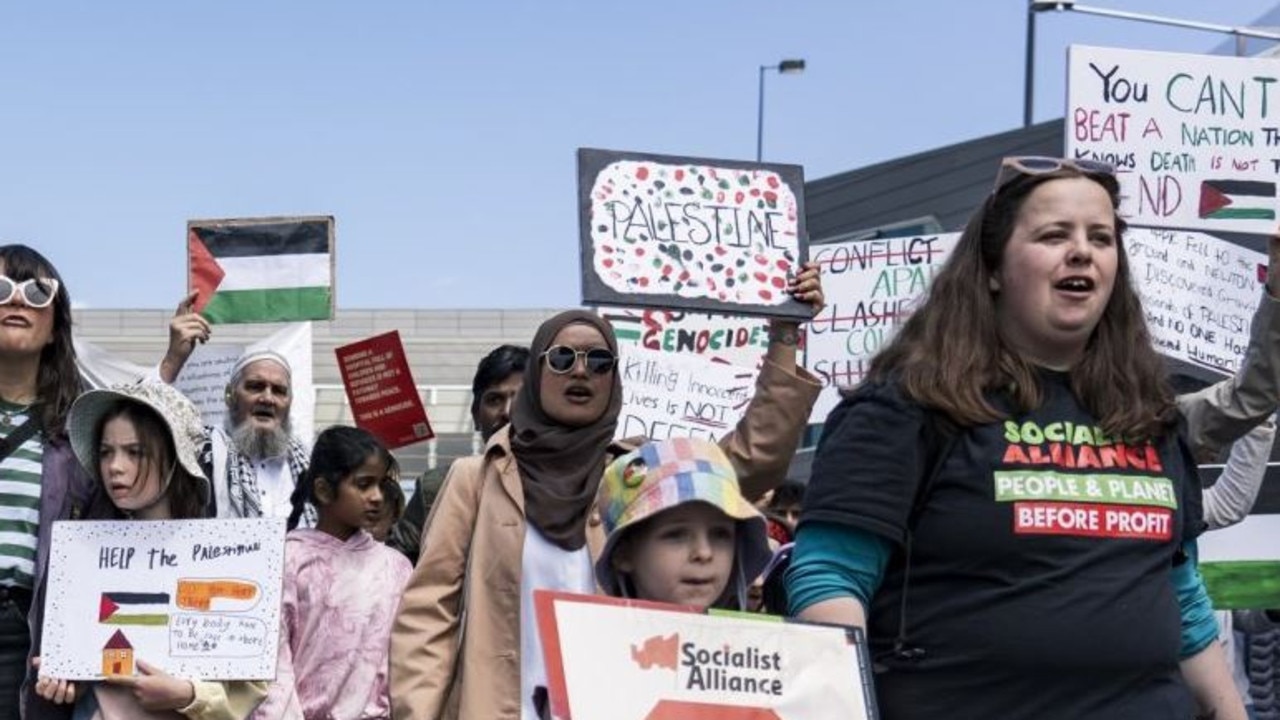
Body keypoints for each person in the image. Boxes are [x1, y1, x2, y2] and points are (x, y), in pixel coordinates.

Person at [787, 157, 1244, 719]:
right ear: (994, 267)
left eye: (1100, 238)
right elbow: (828, 579)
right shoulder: (905, 407)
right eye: (1054, 235)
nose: (1081, 251)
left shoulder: (1150, 417)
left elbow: (1182, 595)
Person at [390, 265, 824, 720]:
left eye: (599, 362)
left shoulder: (638, 474)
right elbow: (428, 619)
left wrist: (784, 334)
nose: (581, 371)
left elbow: (751, 462)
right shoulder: (475, 479)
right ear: (537, 373)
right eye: (562, 359)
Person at [34, 380, 267, 719]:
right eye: (105, 452)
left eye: (135, 452)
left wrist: (188, 694)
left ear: (175, 457)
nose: (115, 466)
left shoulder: (226, 554)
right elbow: (93, 661)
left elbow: (251, 686)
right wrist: (68, 674)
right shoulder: (83, 556)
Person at [250, 426, 411, 719]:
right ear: (324, 490)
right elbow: (274, 664)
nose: (377, 496)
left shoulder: (397, 567)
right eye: (364, 484)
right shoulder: (287, 559)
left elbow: (403, 661)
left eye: (381, 484)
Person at [0, 245, 99, 720]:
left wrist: (78, 651)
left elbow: (104, 549)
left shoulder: (83, 429)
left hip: (26, 639)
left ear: (56, 323)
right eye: (0, 290)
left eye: (37, 292)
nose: (16, 301)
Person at [160, 293, 311, 525]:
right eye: (255, 386)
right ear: (230, 396)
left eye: (279, 391)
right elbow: (144, 431)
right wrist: (173, 359)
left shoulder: (310, 465)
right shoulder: (198, 453)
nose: (268, 398)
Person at [386, 344, 529, 562]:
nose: (507, 412)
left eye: (520, 399)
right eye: (494, 400)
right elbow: (396, 568)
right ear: (475, 415)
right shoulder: (437, 486)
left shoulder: (568, 484)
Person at [594, 437, 772, 610]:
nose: (704, 553)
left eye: (720, 534)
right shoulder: (582, 637)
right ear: (622, 552)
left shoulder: (759, 640)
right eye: (676, 534)